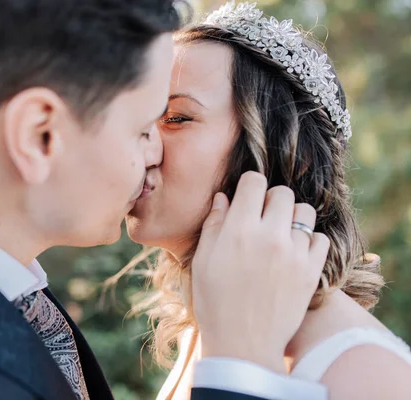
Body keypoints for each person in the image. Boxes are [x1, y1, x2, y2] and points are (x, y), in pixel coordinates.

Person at [0, 1, 329, 399]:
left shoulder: (1, 298)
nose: (154, 153)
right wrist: (240, 366)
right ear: (41, 135)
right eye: (142, 126)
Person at [123, 2, 411, 399]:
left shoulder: (362, 372)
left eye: (176, 119)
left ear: (289, 152)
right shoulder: (213, 328)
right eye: (141, 119)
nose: (144, 146)